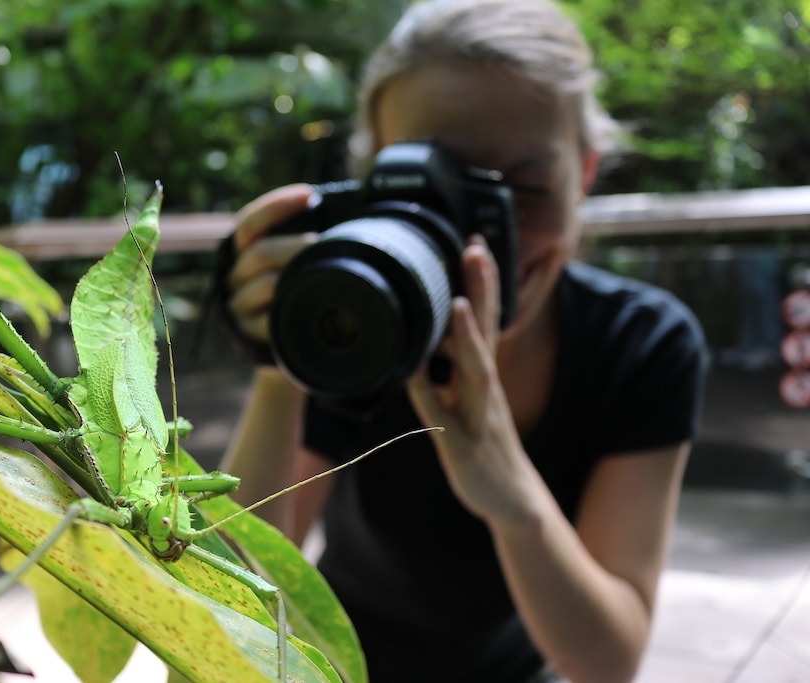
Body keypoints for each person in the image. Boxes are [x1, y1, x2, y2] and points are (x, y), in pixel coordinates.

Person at [217, 1, 707, 681]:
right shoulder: (367, 317)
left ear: (585, 173)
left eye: (526, 190)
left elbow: (606, 661)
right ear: (377, 183)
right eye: (439, 191)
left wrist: (507, 487)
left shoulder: (641, 342)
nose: (484, 244)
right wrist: (284, 361)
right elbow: (232, 600)